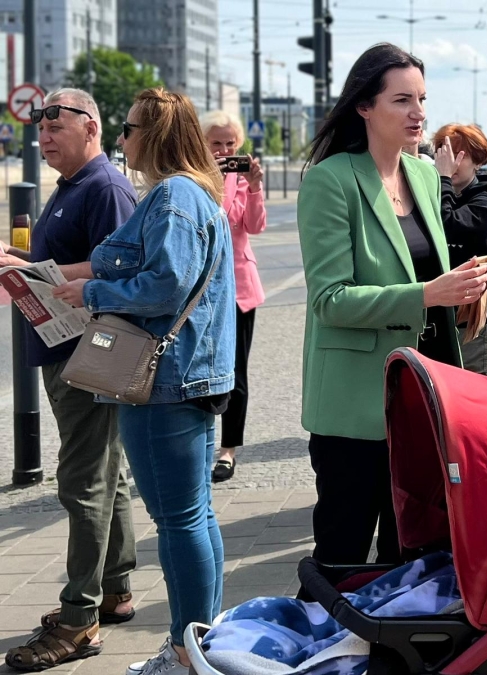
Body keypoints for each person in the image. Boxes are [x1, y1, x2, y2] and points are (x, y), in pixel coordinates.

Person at [52, 88, 235, 675]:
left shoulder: (174, 196)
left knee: (179, 520)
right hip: (190, 374)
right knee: (196, 515)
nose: (121, 139)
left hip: (164, 380)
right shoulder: (192, 192)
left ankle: (185, 651)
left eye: (127, 129)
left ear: (151, 136)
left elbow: (165, 286)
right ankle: (203, 643)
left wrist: (93, 292)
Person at [297, 43, 487, 566]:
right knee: (342, 556)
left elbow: (423, 270)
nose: (418, 112)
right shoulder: (330, 180)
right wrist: (428, 295)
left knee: (414, 555)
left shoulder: (425, 174)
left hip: (423, 398)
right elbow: (330, 300)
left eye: (422, 99)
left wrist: (467, 289)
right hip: (355, 407)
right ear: (364, 106)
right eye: (402, 100)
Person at [2, 88, 138, 672]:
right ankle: (114, 590)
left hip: (90, 354)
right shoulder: (72, 186)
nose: (45, 137)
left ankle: (79, 619)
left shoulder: (104, 187)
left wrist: (28, 270)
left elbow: (125, 267)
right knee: (109, 475)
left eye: (56, 125)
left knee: (83, 482)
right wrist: (21, 265)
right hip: (67, 349)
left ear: (91, 127)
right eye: (41, 128)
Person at [199, 110, 267, 483]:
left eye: (230, 143)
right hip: (203, 290)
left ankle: (228, 449)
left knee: (236, 372)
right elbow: (215, 218)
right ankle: (199, 442)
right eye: (216, 143)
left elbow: (254, 225)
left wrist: (253, 187)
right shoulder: (196, 176)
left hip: (240, 288)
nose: (224, 151)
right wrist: (218, 177)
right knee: (202, 370)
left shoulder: (241, 177)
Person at [433, 123, 487, 378]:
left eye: (461, 155)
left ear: (478, 161)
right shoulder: (439, 194)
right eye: (445, 153)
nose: (452, 162)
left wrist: (444, 178)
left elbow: (448, 225)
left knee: (477, 392)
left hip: (479, 323)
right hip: (447, 318)